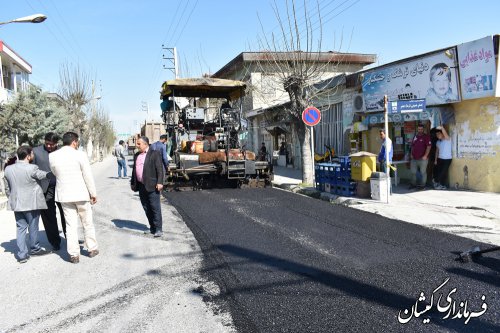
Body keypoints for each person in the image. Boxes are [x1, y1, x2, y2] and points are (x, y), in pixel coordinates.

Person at [49, 132, 99, 264]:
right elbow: (87, 175)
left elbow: (55, 173)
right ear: (74, 142)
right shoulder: (80, 154)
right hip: (81, 194)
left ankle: (74, 255)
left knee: (70, 225)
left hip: (64, 196)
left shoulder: (53, 156)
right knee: (87, 222)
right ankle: (92, 249)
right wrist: (93, 193)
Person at [4, 146, 53, 263]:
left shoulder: (8, 169)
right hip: (31, 203)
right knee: (33, 226)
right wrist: (53, 172)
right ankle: (35, 249)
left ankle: (22, 255)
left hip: (16, 203)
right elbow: (44, 175)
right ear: (28, 156)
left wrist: (10, 197)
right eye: (32, 153)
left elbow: (6, 187)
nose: (33, 155)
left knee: (20, 228)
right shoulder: (32, 168)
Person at [33, 132, 67, 251]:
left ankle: (70, 237)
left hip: (62, 187)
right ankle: (54, 241)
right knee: (49, 217)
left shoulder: (62, 152)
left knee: (66, 213)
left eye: (51, 145)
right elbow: (32, 170)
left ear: (56, 143)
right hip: (45, 190)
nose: (49, 146)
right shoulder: (36, 151)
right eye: (47, 144)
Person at [130, 136, 165, 237]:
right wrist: (133, 183)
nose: (137, 145)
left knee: (155, 207)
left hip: (153, 185)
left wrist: (160, 182)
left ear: (145, 144)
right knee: (146, 207)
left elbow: (160, 169)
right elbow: (134, 171)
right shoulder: (137, 155)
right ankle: (152, 228)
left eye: (139, 144)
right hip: (141, 186)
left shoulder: (154, 154)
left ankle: (158, 229)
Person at [409, 124, 431, 189]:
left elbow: (429, 147)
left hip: (423, 159)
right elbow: (412, 146)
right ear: (417, 129)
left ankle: (422, 185)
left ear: (423, 129)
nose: (420, 130)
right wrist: (411, 154)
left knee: (423, 172)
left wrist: (425, 155)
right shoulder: (415, 137)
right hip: (414, 158)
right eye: (419, 129)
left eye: (421, 129)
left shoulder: (426, 137)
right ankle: (413, 184)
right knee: (413, 172)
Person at [433, 126, 452, 190]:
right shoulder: (438, 142)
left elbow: (445, 134)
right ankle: (442, 185)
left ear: (442, 133)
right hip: (440, 158)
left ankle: (436, 182)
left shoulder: (448, 139)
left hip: (447, 159)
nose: (437, 135)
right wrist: (435, 160)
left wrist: (442, 128)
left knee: (443, 172)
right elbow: (437, 151)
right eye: (436, 134)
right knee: (441, 172)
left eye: (438, 134)